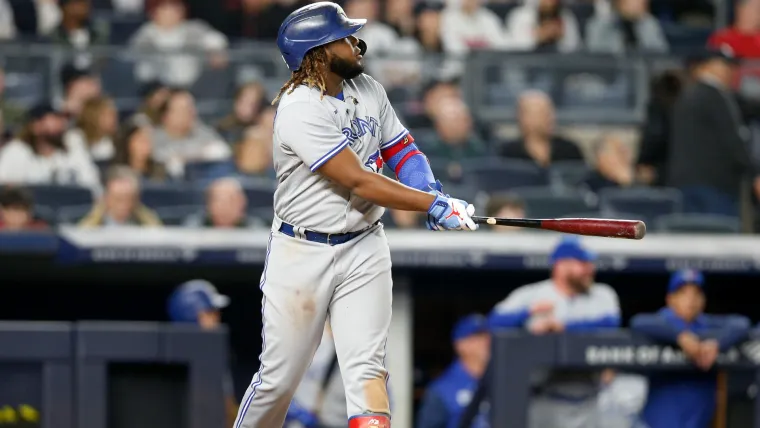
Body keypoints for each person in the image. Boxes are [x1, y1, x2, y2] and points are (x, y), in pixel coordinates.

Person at [232, 3, 478, 428]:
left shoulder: (368, 89)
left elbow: (402, 150)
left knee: (367, 372)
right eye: (345, 38)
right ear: (319, 52)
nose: (357, 44)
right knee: (279, 380)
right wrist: (429, 206)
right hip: (302, 250)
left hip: (364, 244)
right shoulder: (299, 109)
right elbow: (358, 180)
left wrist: (431, 190)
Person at [488, 236, 621, 428]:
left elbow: (610, 323)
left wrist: (562, 328)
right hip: (544, 397)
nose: (590, 269)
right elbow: (494, 323)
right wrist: (528, 313)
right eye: (583, 263)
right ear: (561, 265)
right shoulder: (531, 295)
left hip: (590, 400)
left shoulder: (603, 294)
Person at [631, 269, 751, 428]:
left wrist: (717, 344)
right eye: (684, 293)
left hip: (697, 419)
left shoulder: (707, 325)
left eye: (696, 294)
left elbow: (742, 324)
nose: (691, 299)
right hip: (660, 419)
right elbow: (638, 322)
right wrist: (680, 337)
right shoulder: (663, 321)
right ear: (670, 298)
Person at [166, 279, 239, 428]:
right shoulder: (175, 362)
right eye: (210, 312)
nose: (217, 318)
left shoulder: (215, 357)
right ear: (191, 315)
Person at [416, 314, 491, 428]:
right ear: (460, 345)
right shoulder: (442, 389)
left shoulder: (502, 380)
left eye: (487, 336)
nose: (486, 342)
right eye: (477, 337)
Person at [78, 165, 162, 227]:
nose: (123, 205)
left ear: (136, 199)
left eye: (128, 198)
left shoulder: (148, 223)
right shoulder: (91, 226)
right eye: (118, 199)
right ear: (107, 198)